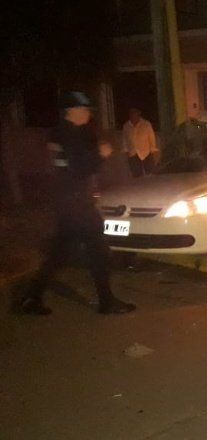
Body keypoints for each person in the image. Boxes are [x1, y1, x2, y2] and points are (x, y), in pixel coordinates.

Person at [21, 92, 136, 315]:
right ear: (71, 111)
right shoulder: (69, 134)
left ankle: (31, 297)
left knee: (59, 253)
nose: (87, 114)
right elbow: (80, 168)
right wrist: (101, 154)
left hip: (66, 201)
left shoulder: (59, 132)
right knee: (98, 250)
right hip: (77, 202)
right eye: (83, 110)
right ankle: (107, 302)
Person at [122, 108, 159, 177]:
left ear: (139, 114)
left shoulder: (146, 124)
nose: (133, 116)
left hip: (146, 152)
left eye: (135, 114)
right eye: (131, 114)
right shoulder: (126, 126)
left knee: (150, 173)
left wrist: (152, 149)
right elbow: (124, 139)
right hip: (133, 153)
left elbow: (151, 137)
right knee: (136, 175)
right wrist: (126, 150)